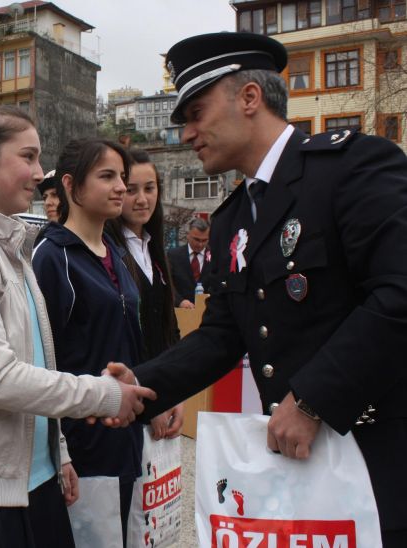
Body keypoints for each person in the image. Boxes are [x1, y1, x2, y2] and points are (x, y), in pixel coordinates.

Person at [105, 32, 407, 547]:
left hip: (379, 458)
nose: (188, 134)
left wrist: (312, 400)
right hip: (302, 470)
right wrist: (140, 386)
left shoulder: (352, 167)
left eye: (196, 113)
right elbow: (224, 333)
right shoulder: (233, 218)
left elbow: (399, 293)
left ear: (249, 98)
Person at [0, 106, 154, 548]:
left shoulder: (10, 248)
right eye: (27, 157)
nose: (39, 172)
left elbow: (38, 359)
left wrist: (55, 452)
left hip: (30, 482)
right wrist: (103, 394)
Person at [32, 139, 151, 545]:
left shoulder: (114, 252)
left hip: (126, 437)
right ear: (71, 185)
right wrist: (59, 446)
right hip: (82, 444)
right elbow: (40, 361)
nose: (122, 187)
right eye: (107, 177)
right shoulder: (52, 256)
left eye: (123, 177)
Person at [106, 148, 183, 439]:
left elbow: (168, 327)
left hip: (161, 390)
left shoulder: (154, 248)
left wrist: (176, 392)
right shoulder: (109, 251)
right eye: (131, 190)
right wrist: (149, 403)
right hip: (130, 400)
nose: (142, 199)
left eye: (149, 188)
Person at [167, 217, 211, 308]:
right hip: (180, 313)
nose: (200, 244)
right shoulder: (173, 256)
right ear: (188, 235)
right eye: (196, 239)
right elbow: (167, 283)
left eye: (204, 240)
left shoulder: (215, 257)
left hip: (208, 314)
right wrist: (179, 301)